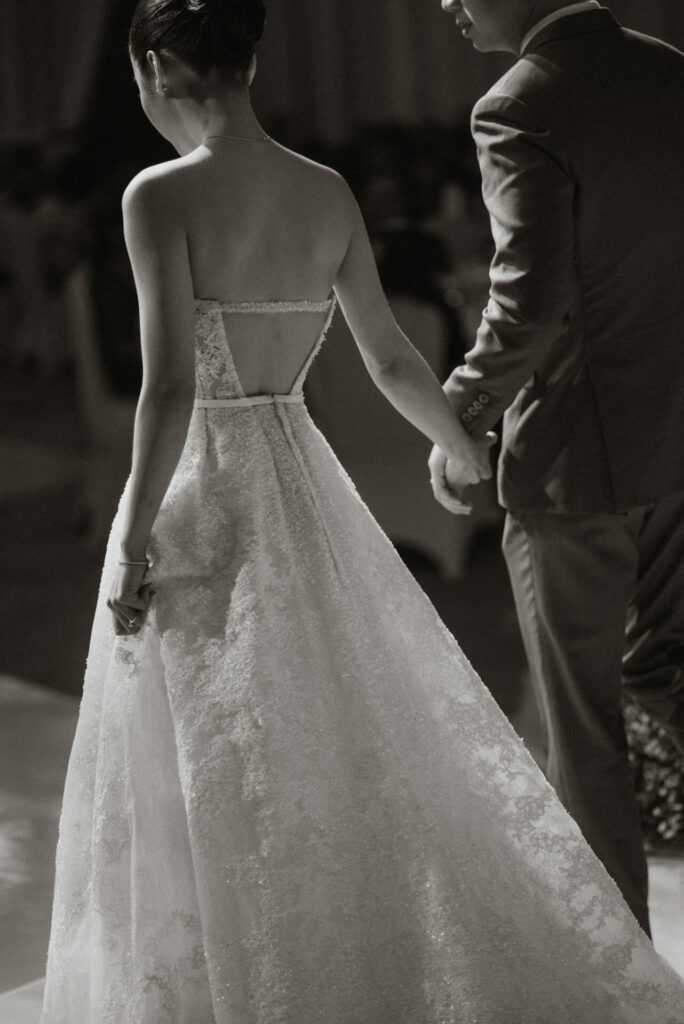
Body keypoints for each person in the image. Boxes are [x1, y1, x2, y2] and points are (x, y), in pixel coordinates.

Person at [40, 1, 684, 1021]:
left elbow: (167, 391)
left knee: (200, 749)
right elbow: (386, 355)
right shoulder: (326, 189)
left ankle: (222, 972)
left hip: (204, 489)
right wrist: (458, 441)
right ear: (248, 61)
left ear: (160, 67)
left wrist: (128, 539)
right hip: (304, 480)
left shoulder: (157, 196)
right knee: (324, 722)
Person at [431, 0, 684, 937]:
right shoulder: (668, 69)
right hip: (678, 442)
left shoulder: (518, 105)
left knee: (583, 738)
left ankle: (624, 980)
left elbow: (526, 302)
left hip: (578, 467)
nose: (446, 5)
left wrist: (456, 418)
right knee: (670, 681)